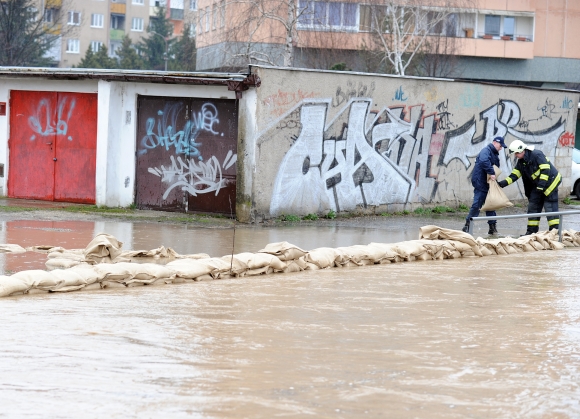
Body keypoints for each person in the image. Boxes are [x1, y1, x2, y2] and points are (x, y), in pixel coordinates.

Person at [498, 139, 562, 235]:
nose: (515, 156)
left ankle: (555, 233)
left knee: (550, 208)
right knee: (533, 207)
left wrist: (541, 187)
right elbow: (514, 175)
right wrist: (502, 183)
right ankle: (531, 232)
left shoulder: (536, 155)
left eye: (516, 153)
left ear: (521, 151)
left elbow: (545, 170)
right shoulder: (521, 162)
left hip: (550, 184)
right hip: (538, 186)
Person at [462, 136, 507, 235]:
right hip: (481, 182)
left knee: (490, 205)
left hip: (487, 183)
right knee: (477, 204)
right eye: (500, 145)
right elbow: (484, 161)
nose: (501, 148)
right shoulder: (486, 151)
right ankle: (467, 225)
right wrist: (492, 172)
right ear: (495, 142)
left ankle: (492, 227)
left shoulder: (494, 153)